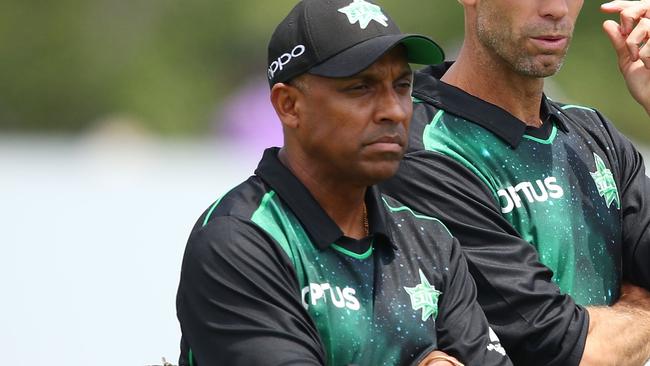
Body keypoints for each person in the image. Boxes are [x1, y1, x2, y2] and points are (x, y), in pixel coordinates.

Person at [175, 1, 512, 365]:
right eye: (361, 88)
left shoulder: (431, 242)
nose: (395, 110)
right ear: (288, 105)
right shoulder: (240, 241)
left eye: (401, 85)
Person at [381, 1, 650, 365]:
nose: (556, 8)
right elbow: (577, 352)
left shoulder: (594, 132)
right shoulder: (422, 150)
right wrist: (639, 306)